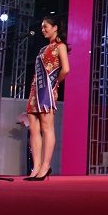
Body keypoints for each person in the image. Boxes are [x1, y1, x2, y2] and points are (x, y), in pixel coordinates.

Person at [23, 15, 70, 181]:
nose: (43, 30)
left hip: (47, 91)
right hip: (35, 89)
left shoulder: (60, 46)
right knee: (33, 128)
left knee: (46, 127)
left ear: (55, 27)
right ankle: (36, 167)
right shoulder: (44, 48)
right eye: (42, 27)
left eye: (45, 27)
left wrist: (55, 83)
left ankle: (45, 166)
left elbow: (66, 69)